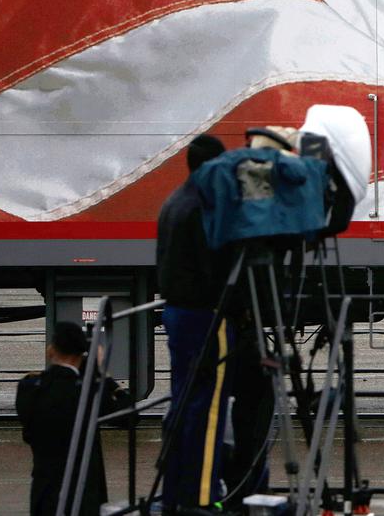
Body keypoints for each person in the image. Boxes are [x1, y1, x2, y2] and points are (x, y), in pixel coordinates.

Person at [157, 134, 236, 514]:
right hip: (207, 315)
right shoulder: (205, 207)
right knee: (208, 408)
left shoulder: (173, 201)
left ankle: (175, 491)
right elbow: (218, 267)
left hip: (177, 312)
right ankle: (203, 494)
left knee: (182, 402)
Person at [16, 321, 131, 516]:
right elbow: (129, 416)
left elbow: (28, 432)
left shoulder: (30, 386)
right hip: (84, 492)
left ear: (51, 350)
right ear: (82, 355)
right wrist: (103, 376)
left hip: (44, 491)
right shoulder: (89, 391)